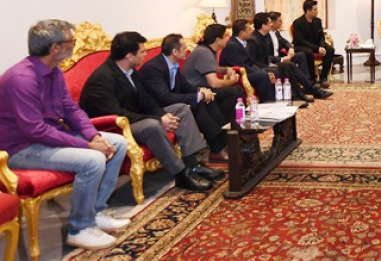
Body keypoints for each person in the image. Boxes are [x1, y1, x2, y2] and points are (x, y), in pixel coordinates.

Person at [0, 20, 130, 250]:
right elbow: (35, 130)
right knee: (93, 159)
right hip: (20, 148)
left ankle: (95, 211)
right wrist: (89, 147)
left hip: (48, 137)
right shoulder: (21, 78)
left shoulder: (54, 71)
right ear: (55, 47)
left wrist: (93, 136)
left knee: (117, 142)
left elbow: (70, 109)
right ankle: (79, 228)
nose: (74, 44)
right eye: (71, 40)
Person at [79, 31, 221, 193]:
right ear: (129, 56)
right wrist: (159, 119)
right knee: (152, 126)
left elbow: (146, 100)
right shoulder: (103, 78)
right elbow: (117, 113)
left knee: (180, 109)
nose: (145, 55)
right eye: (142, 51)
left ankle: (192, 164)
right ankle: (181, 175)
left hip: (133, 116)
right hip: (114, 126)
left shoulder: (130, 71)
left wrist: (162, 115)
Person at [139, 34, 236, 162]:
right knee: (197, 103)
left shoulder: (172, 64)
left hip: (171, 101)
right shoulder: (153, 68)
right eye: (184, 48)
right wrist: (198, 96)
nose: (187, 50)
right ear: (175, 51)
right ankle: (217, 149)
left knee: (208, 99)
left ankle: (224, 143)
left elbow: (185, 86)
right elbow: (164, 97)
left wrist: (202, 91)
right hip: (158, 107)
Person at [247, 12, 330, 103]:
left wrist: (289, 49)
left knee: (291, 65)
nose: (271, 24)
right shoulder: (254, 40)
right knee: (288, 67)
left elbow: (282, 44)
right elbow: (254, 61)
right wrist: (273, 63)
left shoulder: (265, 36)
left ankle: (305, 92)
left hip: (271, 62)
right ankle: (303, 93)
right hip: (263, 67)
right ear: (263, 26)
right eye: (269, 23)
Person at [181, 23, 245, 103]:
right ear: (218, 40)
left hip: (203, 87)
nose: (228, 38)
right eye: (225, 36)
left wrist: (225, 69)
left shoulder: (208, 49)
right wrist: (232, 81)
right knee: (234, 91)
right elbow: (214, 84)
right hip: (196, 90)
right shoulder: (204, 52)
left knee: (237, 89)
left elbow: (211, 68)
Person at [220, 19, 277, 102]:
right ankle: (267, 103)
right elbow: (242, 66)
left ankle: (276, 100)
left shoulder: (243, 42)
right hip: (238, 74)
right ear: (241, 32)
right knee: (264, 75)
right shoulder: (232, 45)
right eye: (249, 29)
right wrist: (263, 72)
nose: (252, 31)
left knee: (274, 71)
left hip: (247, 71)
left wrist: (263, 70)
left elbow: (251, 62)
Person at [292, 0, 334, 88]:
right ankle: (312, 79)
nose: (317, 11)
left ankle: (323, 78)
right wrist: (317, 48)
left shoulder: (317, 21)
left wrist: (322, 46)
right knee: (308, 52)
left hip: (316, 45)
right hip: (302, 46)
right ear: (308, 10)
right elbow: (300, 40)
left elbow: (321, 36)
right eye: (315, 9)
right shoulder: (298, 23)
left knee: (330, 49)